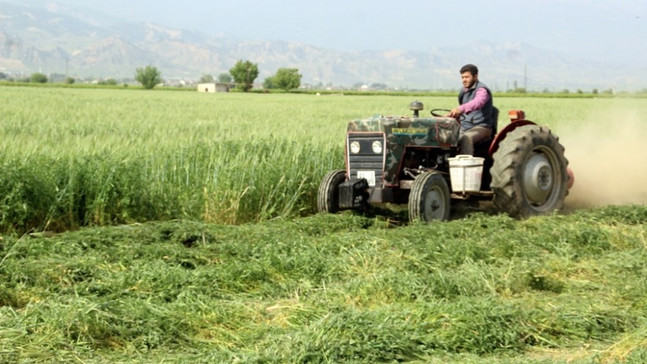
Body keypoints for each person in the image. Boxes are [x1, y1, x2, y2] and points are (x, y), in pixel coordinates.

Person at [448, 64, 495, 155]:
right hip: (465, 126)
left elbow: (478, 102)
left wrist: (461, 108)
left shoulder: (482, 90)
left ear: (475, 76)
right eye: (462, 77)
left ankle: (466, 165)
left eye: (467, 77)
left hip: (481, 127)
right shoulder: (464, 91)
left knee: (466, 138)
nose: (464, 80)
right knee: (445, 136)